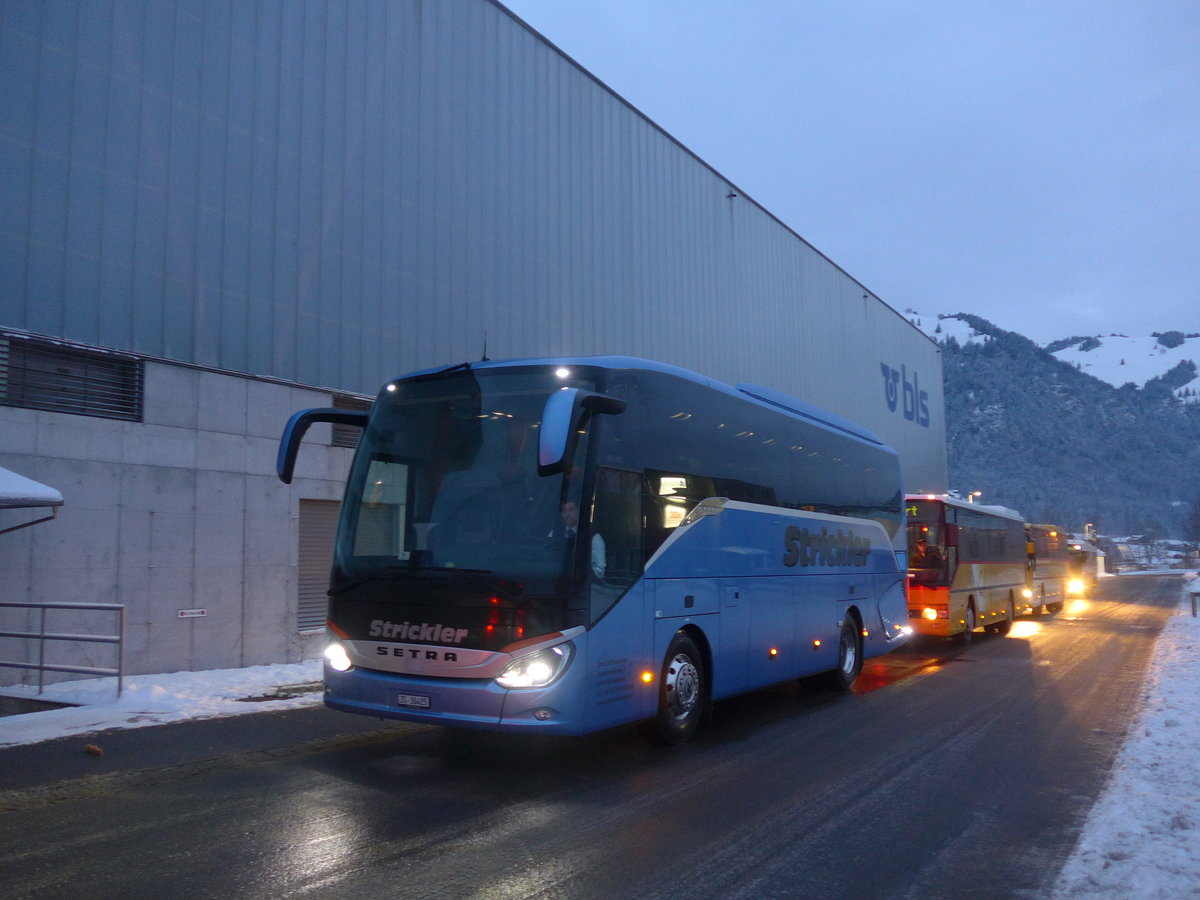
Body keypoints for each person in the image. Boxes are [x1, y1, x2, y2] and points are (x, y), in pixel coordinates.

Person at [550, 500, 606, 578]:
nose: (567, 514)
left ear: (579, 512)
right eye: (564, 511)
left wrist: (581, 572)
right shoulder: (554, 534)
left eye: (571, 510)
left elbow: (600, 572)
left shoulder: (594, 538)